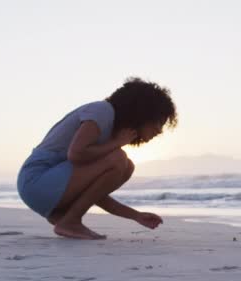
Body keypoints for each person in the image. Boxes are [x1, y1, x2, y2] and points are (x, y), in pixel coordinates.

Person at [17, 77, 177, 240]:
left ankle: (67, 218)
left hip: (47, 191)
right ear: (143, 112)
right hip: (36, 182)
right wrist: (117, 143)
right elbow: (77, 154)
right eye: (159, 122)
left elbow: (93, 193)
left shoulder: (109, 128)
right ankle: (70, 221)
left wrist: (136, 215)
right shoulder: (102, 111)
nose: (160, 130)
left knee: (127, 165)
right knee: (119, 159)